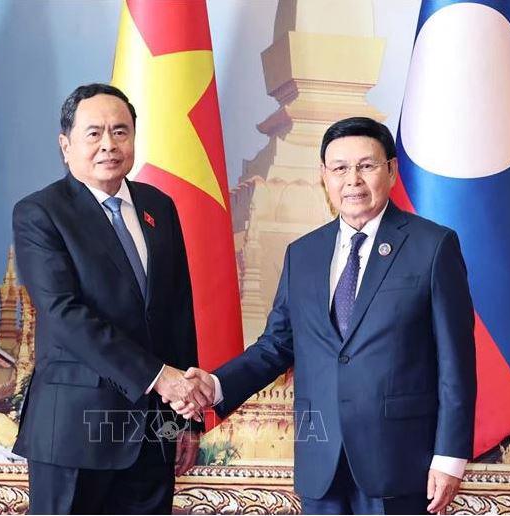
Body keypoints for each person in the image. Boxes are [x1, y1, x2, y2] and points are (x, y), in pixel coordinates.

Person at [173, 117, 476, 515]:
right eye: (340, 168)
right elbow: (276, 345)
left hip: (401, 461)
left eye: (366, 166)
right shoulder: (304, 255)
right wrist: (215, 385)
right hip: (322, 463)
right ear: (324, 177)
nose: (353, 180)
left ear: (391, 170)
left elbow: (456, 362)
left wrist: (449, 456)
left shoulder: (433, 247)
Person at [12, 83, 214, 514]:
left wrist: (183, 419)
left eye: (121, 131)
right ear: (65, 145)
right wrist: (159, 377)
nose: (109, 144)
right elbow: (64, 314)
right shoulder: (40, 213)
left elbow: (177, 313)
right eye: (94, 133)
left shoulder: (159, 205)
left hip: (151, 434)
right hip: (73, 432)